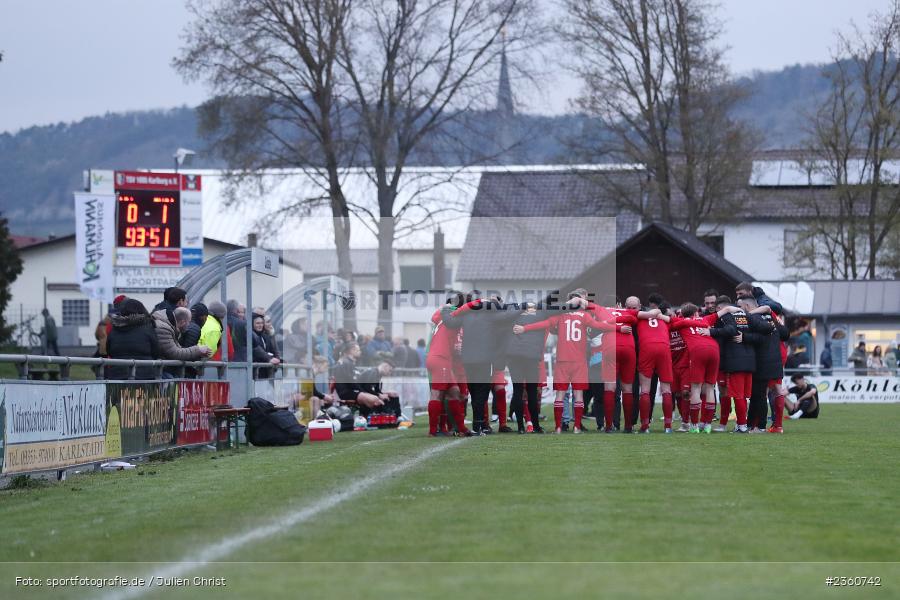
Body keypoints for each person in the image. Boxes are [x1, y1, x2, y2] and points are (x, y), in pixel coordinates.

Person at [514, 292, 618, 434]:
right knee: (579, 395)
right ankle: (576, 427)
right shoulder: (585, 316)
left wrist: (524, 328)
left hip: (562, 360)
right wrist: (618, 327)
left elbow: (545, 324)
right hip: (579, 361)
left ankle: (558, 428)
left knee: (560, 395)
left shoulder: (560, 315)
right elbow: (599, 326)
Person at [669, 302, 740, 433]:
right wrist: (742, 311)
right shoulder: (704, 319)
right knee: (710, 388)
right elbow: (728, 309)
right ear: (696, 313)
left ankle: (695, 426)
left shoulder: (681, 322)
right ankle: (707, 425)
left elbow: (666, 320)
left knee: (695, 388)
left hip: (698, 351)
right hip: (714, 349)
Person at [710, 295, 762, 433]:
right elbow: (762, 333)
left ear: (721, 308)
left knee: (737, 395)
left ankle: (742, 425)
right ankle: (741, 424)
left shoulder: (726, 317)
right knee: (742, 396)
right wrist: (746, 337)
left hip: (734, 361)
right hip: (750, 361)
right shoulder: (747, 316)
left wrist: (710, 331)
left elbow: (730, 330)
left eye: (716, 309)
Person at [425, 295, 475, 437]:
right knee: (437, 394)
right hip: (441, 358)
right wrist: (481, 302)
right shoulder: (452, 317)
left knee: (454, 392)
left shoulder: (443, 316)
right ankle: (433, 431)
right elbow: (465, 308)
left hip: (440, 358)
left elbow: (436, 316)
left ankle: (461, 428)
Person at [739, 298, 789, 433]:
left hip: (764, 361)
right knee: (772, 391)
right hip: (776, 358)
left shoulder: (753, 317)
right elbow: (785, 334)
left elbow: (763, 337)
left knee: (761, 394)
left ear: (748, 305)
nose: (739, 311)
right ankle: (775, 425)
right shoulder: (771, 316)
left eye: (740, 307)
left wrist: (744, 337)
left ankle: (758, 426)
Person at [505, 302, 547, 434]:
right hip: (531, 357)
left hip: (514, 356)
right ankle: (535, 425)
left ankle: (520, 427)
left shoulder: (513, 316)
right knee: (532, 392)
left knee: (518, 391)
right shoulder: (540, 316)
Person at [105, 299, 159, 380]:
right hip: (144, 375)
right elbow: (155, 351)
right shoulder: (148, 328)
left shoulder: (114, 329)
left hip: (117, 375)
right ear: (142, 310)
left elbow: (109, 350)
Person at [152, 306, 211, 377]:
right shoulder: (163, 328)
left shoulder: (170, 326)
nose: (189, 325)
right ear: (182, 322)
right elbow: (175, 353)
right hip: (156, 371)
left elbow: (178, 349)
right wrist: (198, 350)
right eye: (189, 322)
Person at [251, 313, 281, 378]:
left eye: (262, 323)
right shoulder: (251, 335)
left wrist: (277, 359)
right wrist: (269, 358)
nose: (260, 325)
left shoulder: (265, 336)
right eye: (257, 323)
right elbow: (256, 350)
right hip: (256, 372)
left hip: (265, 371)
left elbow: (273, 350)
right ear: (252, 324)